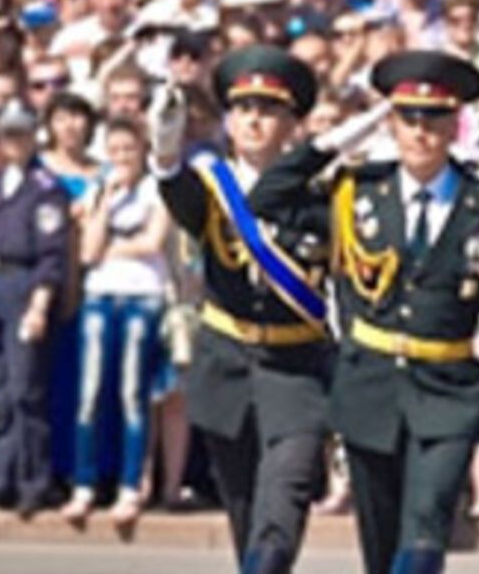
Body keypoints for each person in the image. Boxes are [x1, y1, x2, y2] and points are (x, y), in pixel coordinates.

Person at [250, 51, 479, 574]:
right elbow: (268, 198)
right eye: (408, 118)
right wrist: (336, 141)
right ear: (392, 123)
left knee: (426, 530)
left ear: (454, 126)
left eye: (435, 119)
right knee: (379, 543)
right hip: (369, 389)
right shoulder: (357, 193)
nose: (421, 132)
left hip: (449, 391)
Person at [149, 45, 331, 574]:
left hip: (294, 370)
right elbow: (178, 196)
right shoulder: (212, 186)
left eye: (269, 110)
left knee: (286, 493)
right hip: (226, 363)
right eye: (244, 109)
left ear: (294, 124)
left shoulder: (321, 192)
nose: (254, 120)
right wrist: (164, 147)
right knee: (245, 509)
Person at [63, 116, 174, 525]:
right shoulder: (99, 190)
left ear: (142, 151)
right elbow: (88, 252)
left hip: (142, 295)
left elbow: (153, 241)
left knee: (132, 393)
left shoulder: (155, 189)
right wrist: (105, 203)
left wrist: (114, 247)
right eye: (114, 151)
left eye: (129, 150)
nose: (122, 158)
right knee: (90, 394)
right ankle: (84, 484)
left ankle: (131, 485)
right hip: (100, 294)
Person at [0, 102, 72, 517]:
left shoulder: (45, 187)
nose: (13, 142)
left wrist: (39, 305)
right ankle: (0, 477)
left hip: (25, 286)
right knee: (2, 389)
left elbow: (52, 254)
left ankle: (33, 481)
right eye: (6, 135)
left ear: (34, 136)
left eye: (20, 133)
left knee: (27, 389)